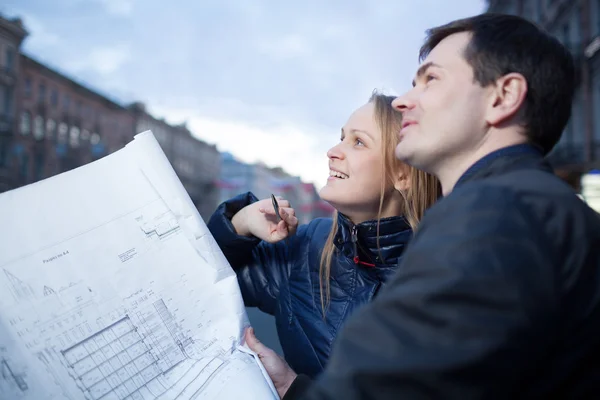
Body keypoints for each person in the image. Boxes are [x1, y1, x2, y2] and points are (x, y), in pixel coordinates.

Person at [246, 13, 600, 399]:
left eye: (431, 79)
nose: (403, 100)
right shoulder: (534, 207)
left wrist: (292, 391)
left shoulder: (497, 214)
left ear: (502, 97)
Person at [207, 92, 440, 380]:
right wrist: (239, 224)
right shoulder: (308, 246)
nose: (333, 151)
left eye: (358, 142)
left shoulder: (449, 278)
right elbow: (200, 282)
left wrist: (293, 389)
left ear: (403, 175)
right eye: (341, 137)